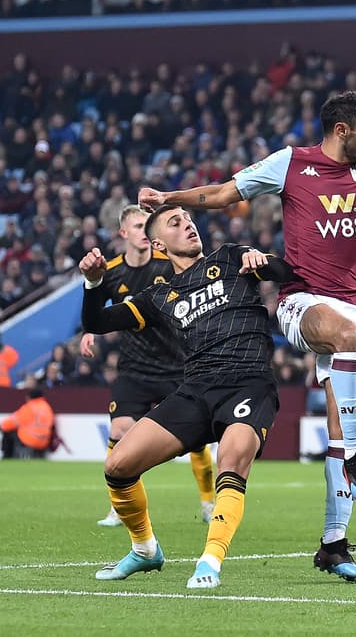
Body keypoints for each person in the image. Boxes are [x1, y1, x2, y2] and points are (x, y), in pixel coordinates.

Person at [139, 91, 356, 583]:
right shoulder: (291, 164)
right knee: (344, 342)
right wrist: (170, 198)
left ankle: (333, 545)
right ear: (342, 130)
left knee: (343, 423)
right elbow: (223, 194)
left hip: (355, 304)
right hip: (302, 299)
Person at [79, 205, 294, 589]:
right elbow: (97, 322)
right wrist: (93, 285)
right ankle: (145, 549)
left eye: (189, 219)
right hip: (194, 390)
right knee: (118, 466)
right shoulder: (159, 295)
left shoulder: (230, 258)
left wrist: (264, 261)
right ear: (158, 242)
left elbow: (286, 273)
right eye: (175, 223)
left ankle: (210, 561)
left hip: (249, 384)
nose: (188, 225)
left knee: (231, 460)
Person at [84, 205, 215, 528]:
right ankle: (119, 506)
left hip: (175, 365)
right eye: (139, 226)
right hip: (134, 368)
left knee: (197, 441)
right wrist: (88, 332)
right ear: (124, 233)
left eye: (148, 225)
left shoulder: (166, 265)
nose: (145, 231)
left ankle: (208, 501)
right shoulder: (110, 270)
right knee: (119, 430)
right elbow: (98, 311)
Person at [0, 386, 55, 458]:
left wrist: (1, 426)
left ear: (29, 397)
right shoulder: (47, 407)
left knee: (8, 432)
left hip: (31, 439)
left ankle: (6, 457)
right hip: (45, 441)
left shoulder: (29, 407)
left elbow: (12, 423)